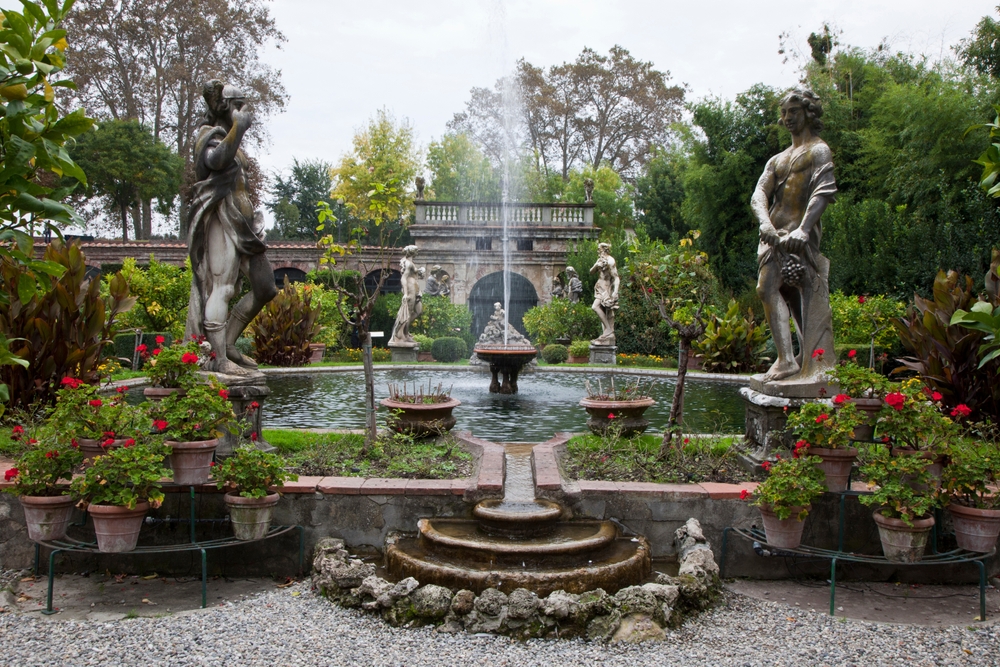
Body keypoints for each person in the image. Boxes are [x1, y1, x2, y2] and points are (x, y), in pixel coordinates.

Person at [185, 80, 276, 375]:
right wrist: (239, 128)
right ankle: (219, 359)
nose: (243, 111)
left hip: (244, 227)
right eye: (238, 105)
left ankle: (229, 343)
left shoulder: (230, 138)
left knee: (265, 287)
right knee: (222, 288)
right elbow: (215, 161)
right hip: (221, 222)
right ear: (224, 107)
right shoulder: (208, 136)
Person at [751, 88, 836, 384]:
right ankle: (788, 359)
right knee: (769, 289)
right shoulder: (778, 159)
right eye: (784, 112)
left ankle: (804, 358)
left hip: (800, 238)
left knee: (800, 296)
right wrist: (764, 223)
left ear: (808, 113)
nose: (787, 118)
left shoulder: (818, 150)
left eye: (794, 112)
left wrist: (804, 228)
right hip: (773, 237)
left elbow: (823, 192)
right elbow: (759, 193)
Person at [389, 245, 425, 345]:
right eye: (416, 251)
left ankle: (405, 332)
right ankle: (401, 335)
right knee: (407, 312)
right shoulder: (408, 263)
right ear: (412, 252)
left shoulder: (410, 262)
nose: (417, 252)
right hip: (410, 288)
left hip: (415, 287)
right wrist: (405, 293)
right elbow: (403, 278)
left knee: (418, 310)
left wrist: (419, 271)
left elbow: (414, 274)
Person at [589, 244, 619, 344]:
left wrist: (615, 291)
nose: (598, 251)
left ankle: (609, 330)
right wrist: (596, 266)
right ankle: (607, 332)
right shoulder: (600, 260)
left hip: (606, 288)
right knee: (603, 310)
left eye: (599, 249)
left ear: (604, 249)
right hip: (599, 287)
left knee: (595, 307)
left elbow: (616, 278)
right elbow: (591, 272)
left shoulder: (610, 261)